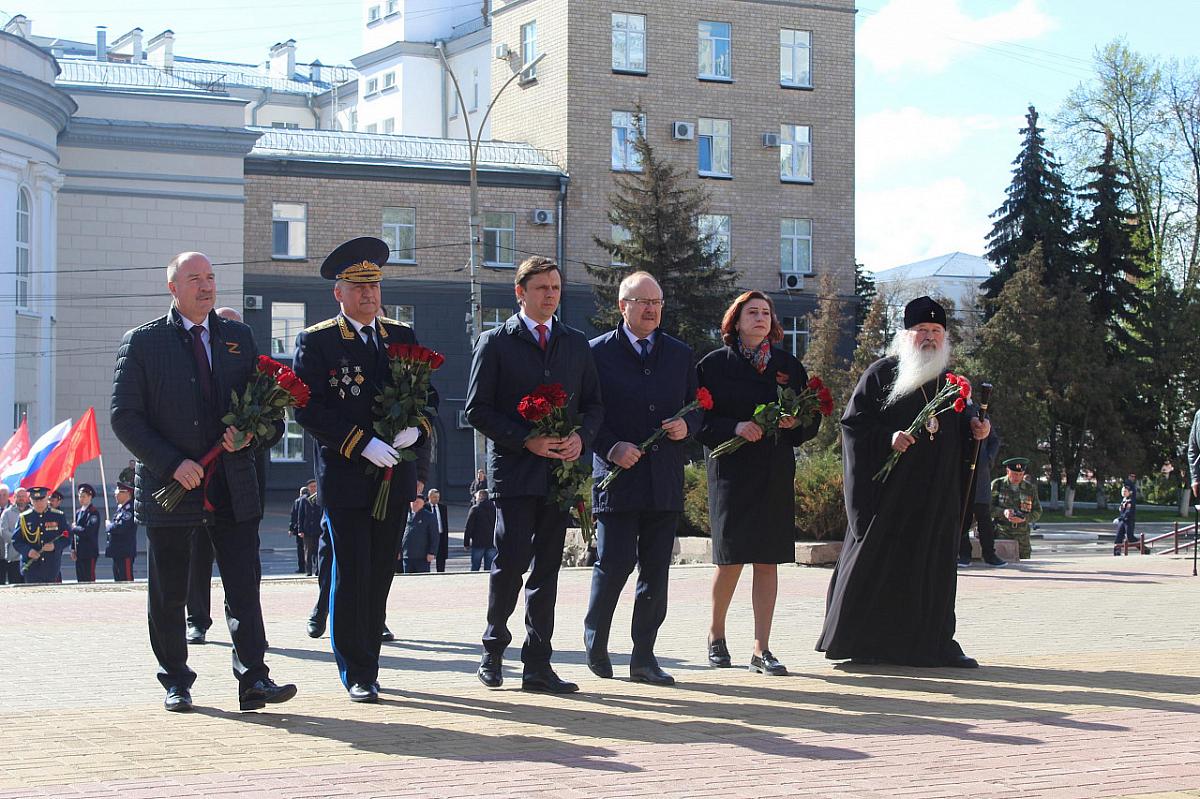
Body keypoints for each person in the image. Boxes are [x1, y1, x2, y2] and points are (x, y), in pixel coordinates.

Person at [110, 251, 295, 714]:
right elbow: (124, 418)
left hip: (232, 485)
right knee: (170, 592)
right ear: (173, 287)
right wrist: (172, 464)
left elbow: (268, 411)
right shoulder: (144, 343)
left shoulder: (238, 336)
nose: (206, 286)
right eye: (195, 278)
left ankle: (254, 678)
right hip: (171, 488)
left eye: (211, 277)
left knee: (243, 587)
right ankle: (176, 679)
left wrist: (252, 433)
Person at [292, 236, 436, 704]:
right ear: (339, 293)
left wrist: (417, 428)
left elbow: (428, 396)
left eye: (374, 285)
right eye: (358, 287)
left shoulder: (401, 336)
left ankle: (370, 660)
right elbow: (308, 409)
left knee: (380, 572)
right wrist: (362, 443)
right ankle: (355, 670)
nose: (369, 295)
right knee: (351, 572)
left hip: (393, 476)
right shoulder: (319, 342)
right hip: (348, 477)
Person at [817, 296, 990, 668]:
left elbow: (967, 427)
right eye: (921, 331)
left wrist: (981, 430)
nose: (929, 337)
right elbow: (853, 427)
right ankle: (866, 642)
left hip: (937, 496)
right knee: (883, 567)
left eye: (936, 331)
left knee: (933, 570)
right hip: (890, 496)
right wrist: (887, 438)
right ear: (906, 335)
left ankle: (935, 642)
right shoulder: (881, 374)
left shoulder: (953, 384)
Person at [465, 255, 603, 693]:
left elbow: (595, 405)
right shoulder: (495, 342)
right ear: (520, 293)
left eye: (556, 288)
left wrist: (581, 437)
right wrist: (525, 439)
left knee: (548, 568)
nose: (550, 295)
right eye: (542, 288)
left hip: (560, 476)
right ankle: (492, 649)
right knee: (509, 563)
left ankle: (538, 665)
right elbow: (476, 410)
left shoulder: (576, 342)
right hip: (515, 472)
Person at [583, 272, 699, 687]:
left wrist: (688, 428)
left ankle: (644, 656)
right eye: (642, 301)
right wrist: (611, 447)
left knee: (655, 572)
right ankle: (596, 639)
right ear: (623, 306)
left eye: (657, 302)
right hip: (617, 478)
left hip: (662, 480)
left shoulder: (679, 353)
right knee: (614, 565)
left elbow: (695, 407)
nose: (651, 309)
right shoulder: (595, 353)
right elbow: (586, 414)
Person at [697, 291, 820, 677]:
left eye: (766, 312)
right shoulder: (713, 366)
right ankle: (716, 636)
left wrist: (795, 423)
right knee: (731, 558)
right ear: (735, 320)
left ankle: (761, 648)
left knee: (768, 559)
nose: (760, 318)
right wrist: (733, 427)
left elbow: (811, 416)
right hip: (731, 473)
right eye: (752, 312)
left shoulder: (786, 365)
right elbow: (698, 420)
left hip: (773, 471)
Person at [958, 428, 1006, 567]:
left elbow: (994, 440)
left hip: (980, 475)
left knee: (984, 517)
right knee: (962, 517)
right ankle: (964, 554)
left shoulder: (980, 412)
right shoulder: (958, 412)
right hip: (961, 473)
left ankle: (990, 554)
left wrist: (988, 458)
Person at [10, 487, 69, 583]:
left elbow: (67, 536)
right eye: (35, 500)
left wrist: (55, 546)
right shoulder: (24, 517)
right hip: (31, 566)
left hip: (51, 566)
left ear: (47, 498)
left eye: (41, 499)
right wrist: (28, 551)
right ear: (31, 500)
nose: (39, 503)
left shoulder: (58, 516)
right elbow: (16, 540)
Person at [991, 457, 1041, 560]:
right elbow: (987, 508)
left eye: (1020, 474)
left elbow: (1037, 511)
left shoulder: (1029, 488)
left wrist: (1024, 518)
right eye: (1014, 474)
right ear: (1008, 471)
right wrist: (1003, 512)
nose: (1017, 477)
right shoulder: (998, 485)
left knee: (1025, 565)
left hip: (1022, 536)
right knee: (1003, 564)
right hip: (1002, 533)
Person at [104, 482, 138, 581]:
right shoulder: (121, 509)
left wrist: (109, 526)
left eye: (118, 492)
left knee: (126, 579)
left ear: (127, 494)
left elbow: (121, 527)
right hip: (118, 551)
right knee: (118, 579)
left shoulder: (129, 510)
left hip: (125, 551)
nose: (115, 494)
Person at [70, 483, 102, 582]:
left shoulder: (93, 512)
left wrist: (74, 528)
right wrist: (72, 548)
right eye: (80, 496)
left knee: (89, 578)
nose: (81, 499)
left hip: (89, 551)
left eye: (84, 496)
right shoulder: (78, 512)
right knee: (80, 578)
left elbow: (88, 531)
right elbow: (74, 535)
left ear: (90, 497)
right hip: (79, 551)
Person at [400, 494, 438, 573]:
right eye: (413, 502)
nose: (415, 503)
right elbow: (400, 535)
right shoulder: (405, 515)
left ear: (423, 503)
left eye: (418, 502)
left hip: (422, 557)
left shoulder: (429, 516)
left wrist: (432, 552)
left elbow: (434, 536)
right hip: (407, 556)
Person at [462, 489, 497, 572]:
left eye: (476, 497)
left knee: (475, 567)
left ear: (480, 497)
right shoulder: (494, 508)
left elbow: (468, 527)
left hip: (478, 543)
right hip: (492, 542)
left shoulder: (475, 509)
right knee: (489, 569)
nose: (475, 499)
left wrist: (466, 543)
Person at [1, 487, 30, 584]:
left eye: (23, 496)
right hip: (14, 558)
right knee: (16, 587)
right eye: (19, 496)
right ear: (14, 497)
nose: (21, 498)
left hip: (30, 558)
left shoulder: (33, 512)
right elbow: (4, 532)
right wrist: (19, 542)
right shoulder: (7, 513)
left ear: (27, 498)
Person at [299, 478, 321, 576]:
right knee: (308, 551)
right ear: (308, 488)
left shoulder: (320, 497)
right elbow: (301, 515)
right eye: (311, 487)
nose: (313, 488)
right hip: (307, 529)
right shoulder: (304, 499)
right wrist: (300, 530)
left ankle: (318, 570)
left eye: (315, 486)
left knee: (318, 551)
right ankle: (308, 570)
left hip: (318, 529)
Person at [426, 488, 450, 572]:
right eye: (434, 497)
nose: (436, 499)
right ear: (429, 497)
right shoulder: (425, 507)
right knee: (427, 558)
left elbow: (445, 524)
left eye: (438, 497)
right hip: (429, 537)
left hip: (441, 536)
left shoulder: (443, 507)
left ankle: (441, 573)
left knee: (441, 559)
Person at [289, 485, 311, 574]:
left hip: (300, 528)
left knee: (300, 549)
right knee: (311, 548)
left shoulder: (297, 501)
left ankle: (302, 567)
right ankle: (311, 566)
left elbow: (293, 516)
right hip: (309, 528)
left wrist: (291, 528)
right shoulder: (310, 500)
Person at [1113, 483, 1138, 555]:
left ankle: (1144, 548)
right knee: (1118, 536)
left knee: (1130, 537)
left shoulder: (1130, 501)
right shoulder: (1124, 500)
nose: (1123, 492)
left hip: (1128, 521)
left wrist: (1119, 518)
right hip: (1122, 521)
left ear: (1130, 492)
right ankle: (1117, 552)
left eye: (1125, 491)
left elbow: (1128, 512)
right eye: (1122, 491)